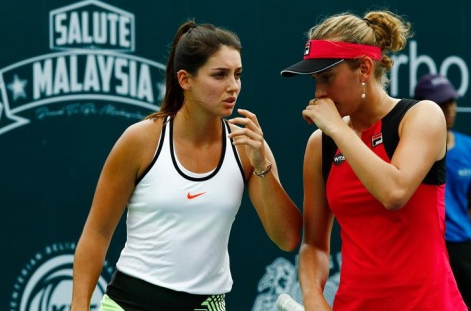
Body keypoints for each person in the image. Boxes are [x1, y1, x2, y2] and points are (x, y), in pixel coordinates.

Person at [71, 20, 302, 311]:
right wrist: (78, 307)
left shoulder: (248, 148)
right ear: (185, 79)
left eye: (238, 75)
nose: (233, 86)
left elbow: (287, 238)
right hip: (128, 303)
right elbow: (97, 233)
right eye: (220, 75)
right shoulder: (141, 140)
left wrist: (262, 166)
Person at [280, 11, 467, 311]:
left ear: (364, 69)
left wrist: (339, 129)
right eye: (315, 80)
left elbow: (394, 193)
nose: (319, 93)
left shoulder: (422, 116)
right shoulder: (321, 144)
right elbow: (313, 244)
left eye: (327, 78)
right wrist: (314, 299)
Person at [414, 74, 471, 311]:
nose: (449, 109)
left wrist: (455, 230)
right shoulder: (410, 149)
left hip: (460, 248)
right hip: (423, 249)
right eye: (440, 104)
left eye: (451, 102)